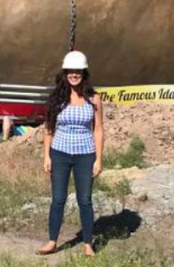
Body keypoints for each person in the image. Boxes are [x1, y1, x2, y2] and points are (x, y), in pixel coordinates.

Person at [37, 50, 104, 257]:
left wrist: (99, 159)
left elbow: (98, 130)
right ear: (65, 73)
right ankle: (52, 241)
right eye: (70, 71)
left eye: (78, 71)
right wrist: (46, 156)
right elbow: (49, 129)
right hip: (60, 154)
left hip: (85, 155)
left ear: (84, 73)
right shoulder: (58, 99)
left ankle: (87, 243)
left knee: (85, 200)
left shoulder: (94, 99)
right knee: (58, 199)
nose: (74, 75)